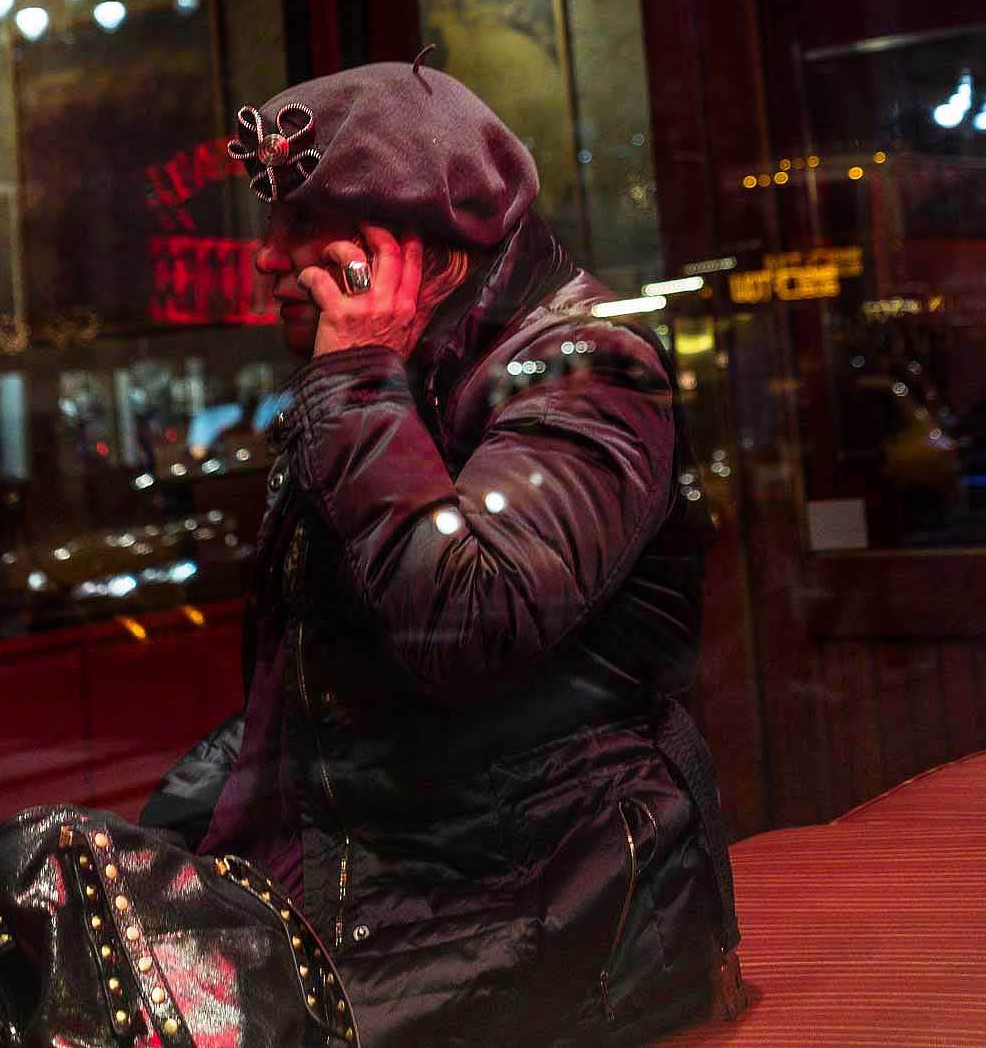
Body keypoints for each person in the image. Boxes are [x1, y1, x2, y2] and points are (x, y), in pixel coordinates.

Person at [143, 58, 744, 1048]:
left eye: (304, 233)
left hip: (544, 922)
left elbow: (468, 618)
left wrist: (353, 385)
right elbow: (327, 685)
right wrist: (177, 836)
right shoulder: (395, 381)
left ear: (425, 260)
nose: (265, 260)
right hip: (405, 900)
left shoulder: (585, 368)